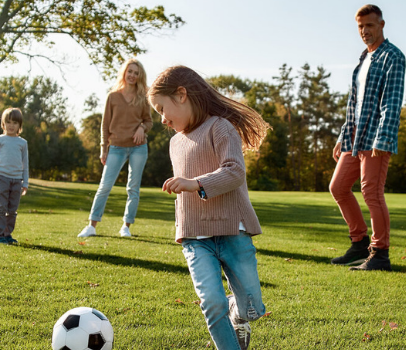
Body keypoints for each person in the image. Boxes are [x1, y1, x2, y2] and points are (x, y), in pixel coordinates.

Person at [151, 65, 270, 350]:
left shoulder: (220, 127)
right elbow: (183, 193)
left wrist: (195, 183)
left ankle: (237, 314)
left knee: (252, 307)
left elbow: (234, 172)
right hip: (196, 238)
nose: (163, 119)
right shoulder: (174, 143)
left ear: (181, 95)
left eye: (162, 109)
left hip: (232, 230)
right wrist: (182, 229)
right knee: (211, 304)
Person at [329, 4, 406, 271]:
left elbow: (391, 102)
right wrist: (342, 135)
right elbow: (354, 103)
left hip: (375, 138)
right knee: (338, 187)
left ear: (381, 25)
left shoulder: (392, 57)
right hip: (354, 137)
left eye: (370, 26)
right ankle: (359, 243)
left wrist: (383, 138)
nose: (364, 31)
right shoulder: (363, 59)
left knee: (371, 192)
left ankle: (380, 253)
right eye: (360, 27)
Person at [78, 59, 154, 238]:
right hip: (116, 147)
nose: (133, 76)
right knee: (104, 186)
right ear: (124, 73)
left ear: (140, 76)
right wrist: (103, 148)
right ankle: (92, 225)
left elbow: (149, 121)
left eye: (136, 73)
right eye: (130, 72)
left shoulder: (143, 97)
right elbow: (104, 125)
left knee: (133, 188)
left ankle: (126, 226)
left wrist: (142, 128)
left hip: (138, 148)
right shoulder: (113, 96)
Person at [0, 107, 30, 244]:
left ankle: (7, 234)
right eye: (8, 122)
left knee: (12, 209)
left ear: (19, 126)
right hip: (1, 178)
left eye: (15, 123)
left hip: (17, 180)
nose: (11, 125)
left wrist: (25, 183)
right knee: (1, 207)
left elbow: (25, 164)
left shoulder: (22, 143)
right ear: (3, 124)